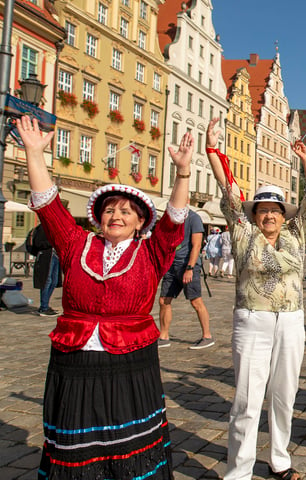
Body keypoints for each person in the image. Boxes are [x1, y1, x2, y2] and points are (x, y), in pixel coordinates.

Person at [18, 115, 193, 479]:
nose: (117, 215)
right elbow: (48, 207)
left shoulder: (151, 252)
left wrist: (182, 174)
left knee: (126, 438)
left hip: (130, 361)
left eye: (126, 211)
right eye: (110, 209)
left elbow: (174, 221)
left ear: (140, 221)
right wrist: (35, 154)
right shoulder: (75, 244)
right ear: (98, 217)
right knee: (78, 434)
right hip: (77, 359)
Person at [205, 118, 306, 480]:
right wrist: (214, 150)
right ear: (254, 215)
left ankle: (280, 460)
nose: (270, 214)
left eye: (275, 209)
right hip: (252, 320)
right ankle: (238, 471)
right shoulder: (243, 234)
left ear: (282, 215)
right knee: (246, 398)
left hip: (290, 320)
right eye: (263, 209)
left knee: (284, 395)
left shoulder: (296, 232)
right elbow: (228, 191)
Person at [158, 209, 214, 349]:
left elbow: (196, 245)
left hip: (188, 265)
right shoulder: (170, 217)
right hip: (172, 265)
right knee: (164, 300)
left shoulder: (193, 218)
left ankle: (207, 336)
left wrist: (190, 268)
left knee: (196, 301)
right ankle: (163, 336)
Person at [26, 221, 62, 316]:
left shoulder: (54, 228)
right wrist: (52, 242)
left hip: (55, 256)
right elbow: (38, 243)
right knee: (47, 281)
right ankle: (43, 307)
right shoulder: (43, 228)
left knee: (54, 281)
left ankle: (46, 304)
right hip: (46, 257)